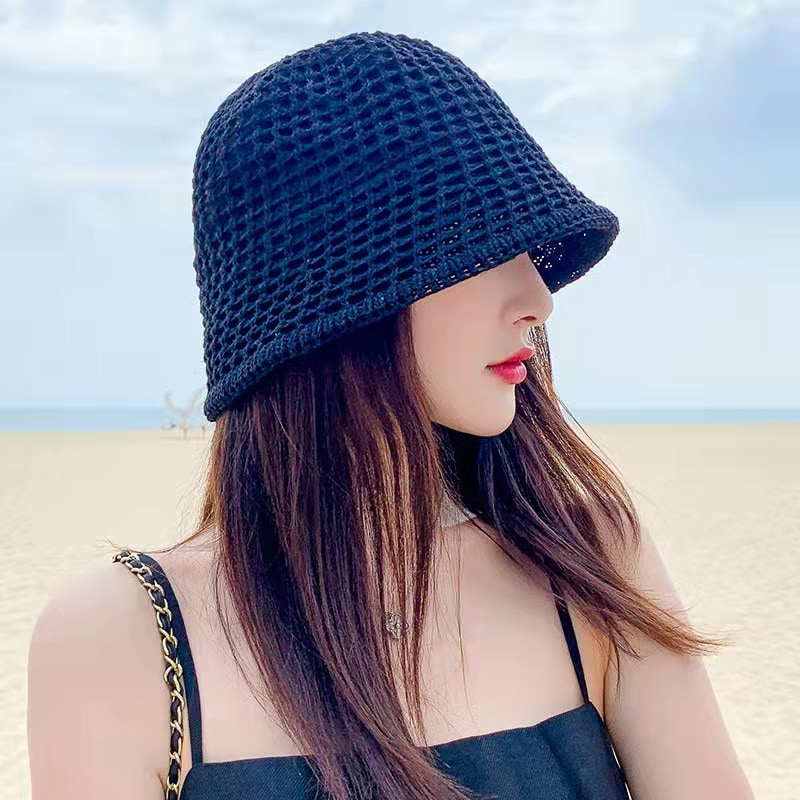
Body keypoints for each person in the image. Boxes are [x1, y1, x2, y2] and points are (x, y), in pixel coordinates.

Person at [27, 31, 755, 800]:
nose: (538, 300)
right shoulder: (119, 640)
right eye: (475, 247)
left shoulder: (589, 560)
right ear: (333, 296)